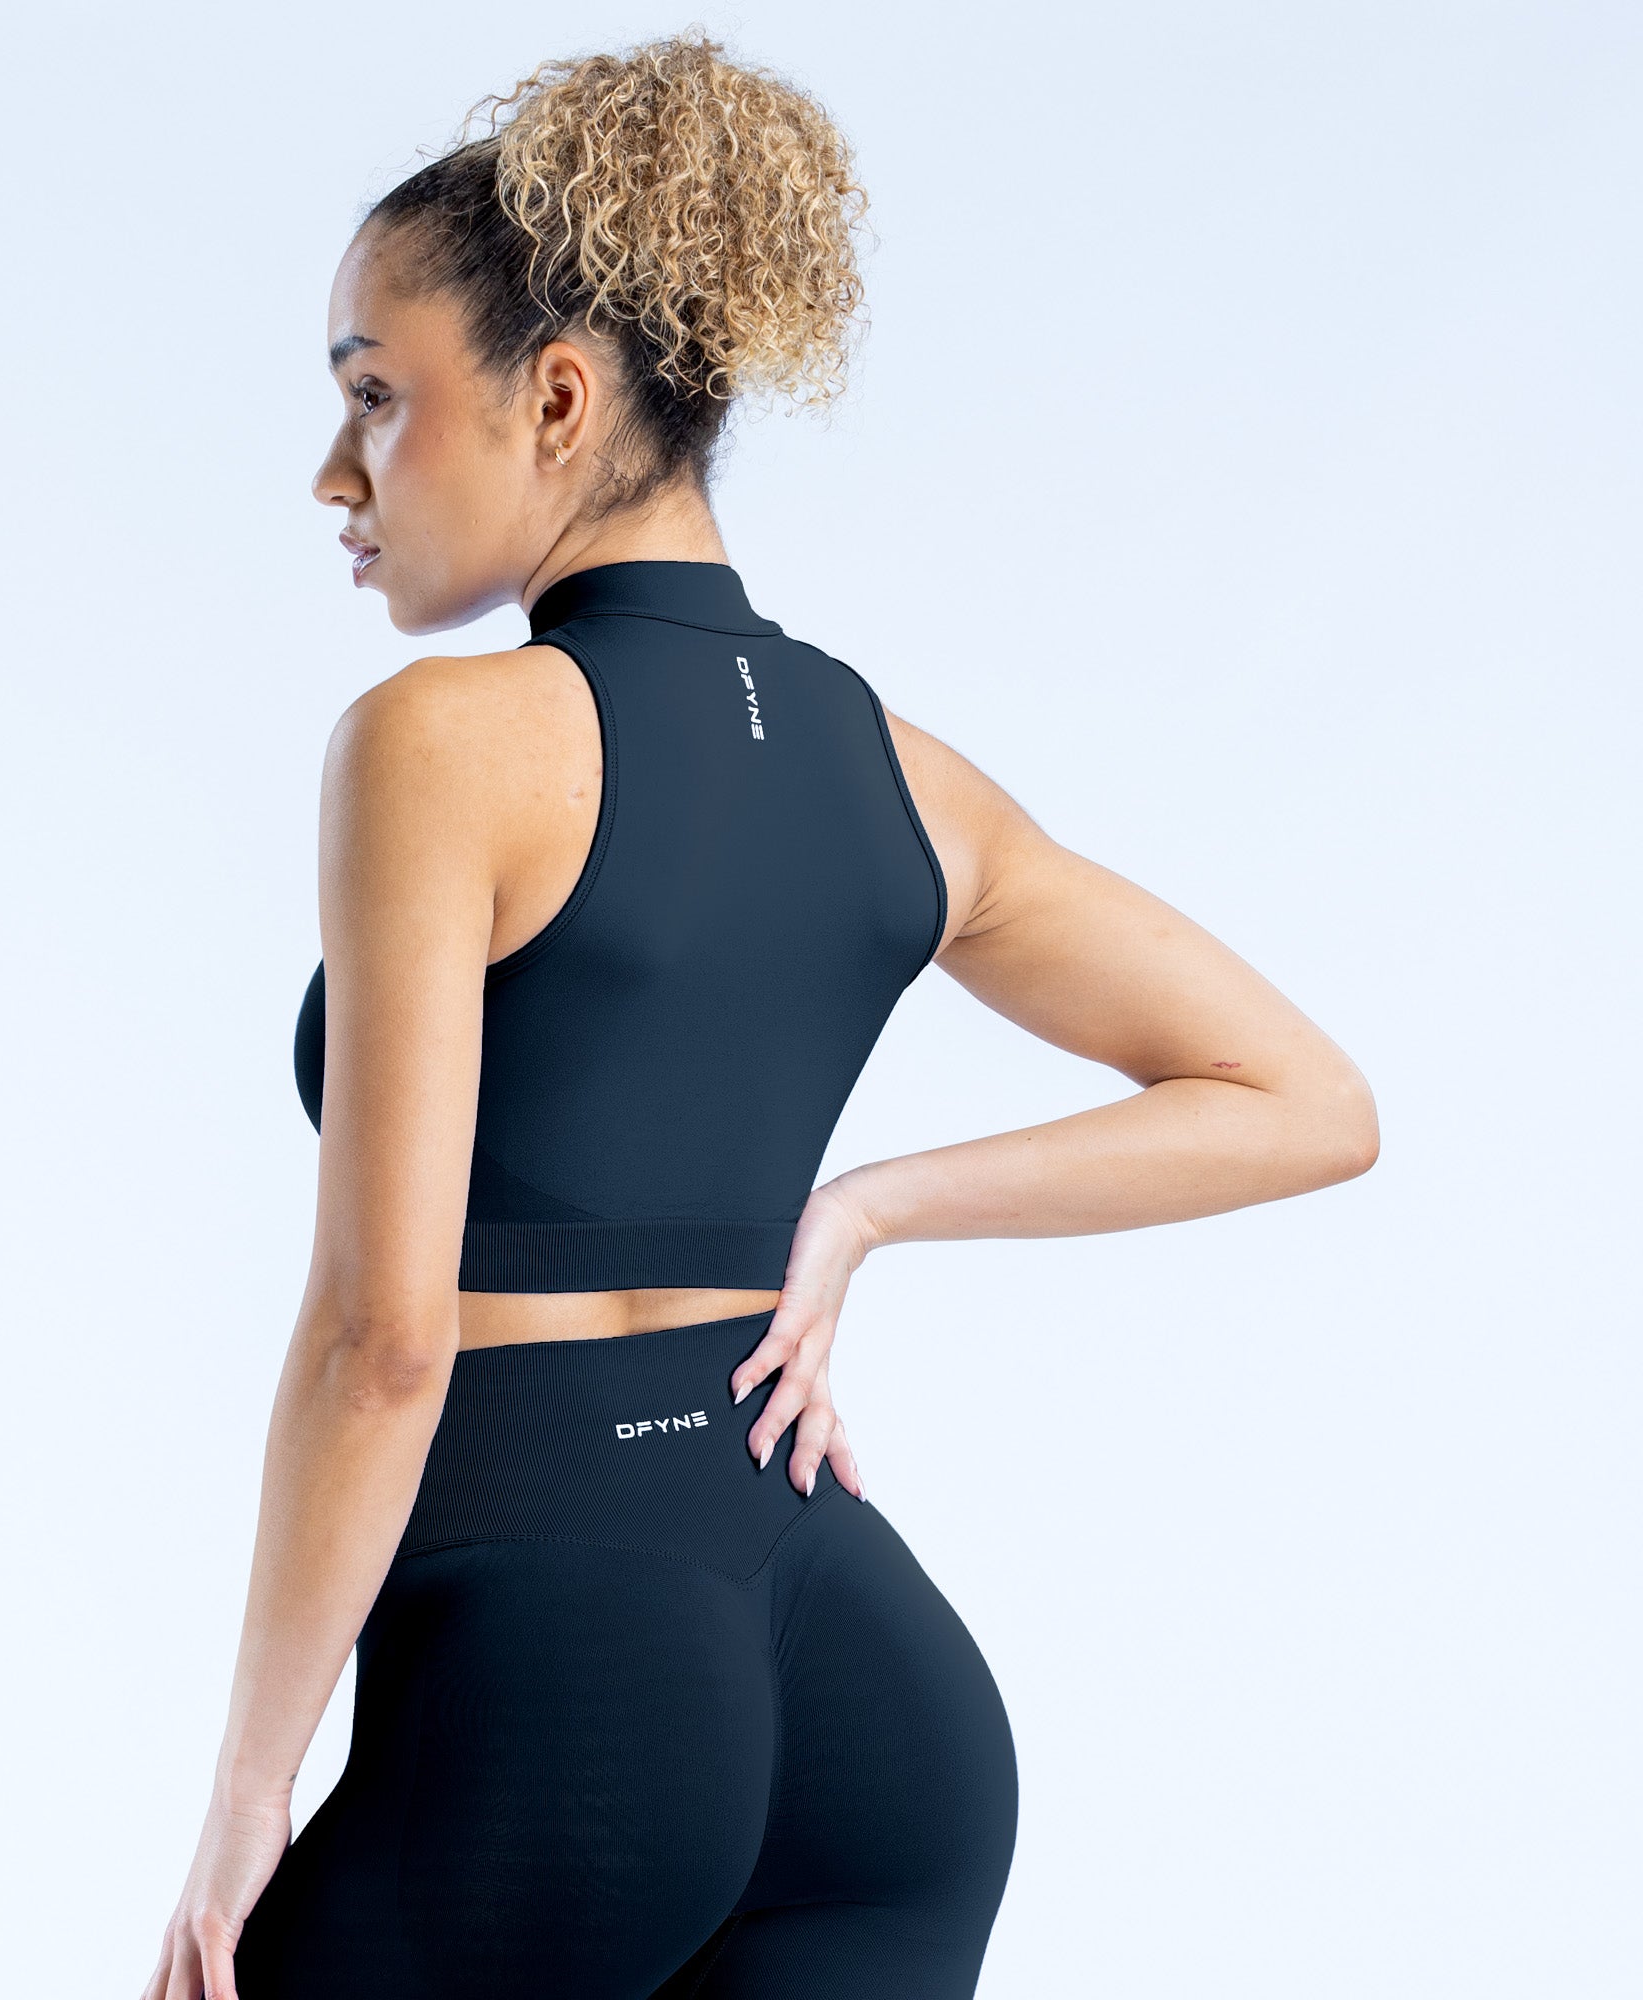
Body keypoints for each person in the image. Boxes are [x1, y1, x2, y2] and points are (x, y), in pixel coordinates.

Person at [141, 31, 1378, 2000]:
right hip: (870, 1706)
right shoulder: (901, 775)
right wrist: (862, 1208)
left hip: (574, 1699)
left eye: (374, 398)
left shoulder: (439, 747)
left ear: (555, 397)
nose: (335, 472)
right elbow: (1303, 1097)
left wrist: (246, 1791)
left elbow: (384, 1344)